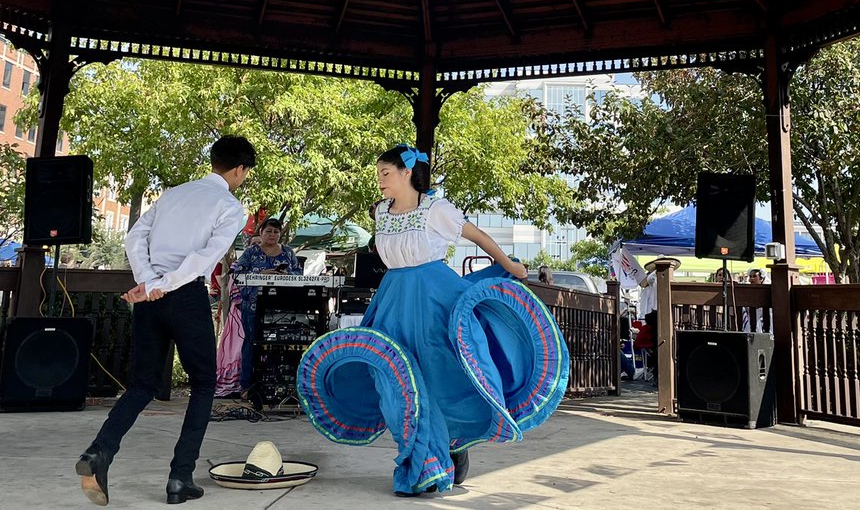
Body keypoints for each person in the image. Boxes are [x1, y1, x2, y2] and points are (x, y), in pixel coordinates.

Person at [295, 144, 568, 497]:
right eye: (379, 174)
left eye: (385, 173)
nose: (380, 180)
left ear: (407, 173)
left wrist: (511, 265)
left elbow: (479, 236)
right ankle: (424, 457)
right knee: (391, 379)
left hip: (434, 298)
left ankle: (449, 443)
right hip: (393, 298)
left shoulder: (436, 209)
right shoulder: (381, 212)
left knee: (441, 375)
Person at [76, 135, 256, 507]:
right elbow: (207, 256)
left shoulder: (174, 193)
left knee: (141, 385)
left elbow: (135, 236)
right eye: (245, 174)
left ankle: (99, 452)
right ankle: (180, 476)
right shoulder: (230, 204)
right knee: (205, 383)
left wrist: (148, 282)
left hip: (151, 296)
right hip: (185, 295)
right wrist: (167, 284)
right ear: (239, 170)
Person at [215, 218, 301, 398]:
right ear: (261, 233)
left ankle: (278, 385)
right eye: (269, 231)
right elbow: (237, 273)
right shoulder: (251, 252)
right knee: (251, 343)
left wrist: (283, 274)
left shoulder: (287, 252)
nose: (272, 235)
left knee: (280, 345)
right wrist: (261, 273)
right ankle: (247, 386)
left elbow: (298, 273)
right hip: (253, 305)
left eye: (276, 232)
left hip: (281, 307)